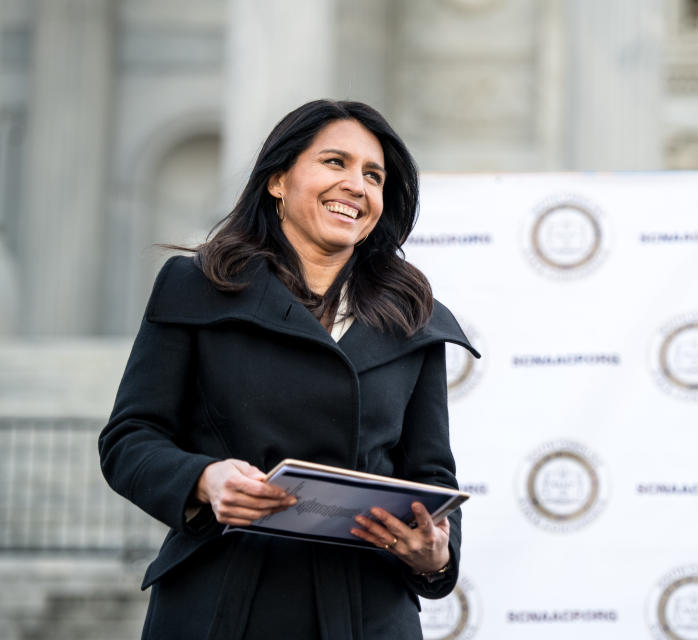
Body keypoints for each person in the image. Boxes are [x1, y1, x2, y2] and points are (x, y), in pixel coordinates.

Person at [99, 99, 478, 640]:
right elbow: (129, 439)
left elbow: (431, 474)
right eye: (335, 163)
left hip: (365, 610)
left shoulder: (413, 318)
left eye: (374, 175)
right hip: (226, 601)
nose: (357, 185)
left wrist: (434, 554)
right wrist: (203, 480)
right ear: (278, 180)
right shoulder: (196, 287)